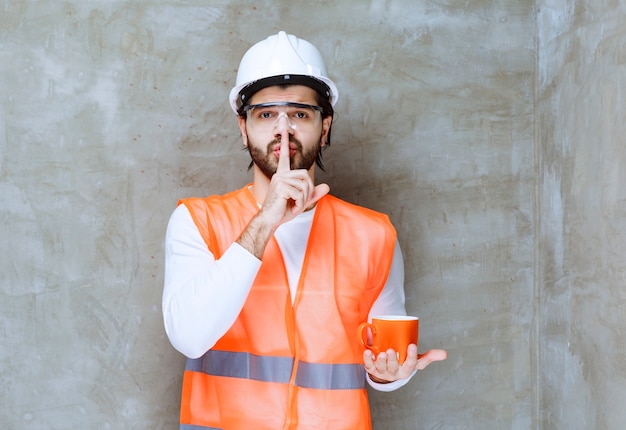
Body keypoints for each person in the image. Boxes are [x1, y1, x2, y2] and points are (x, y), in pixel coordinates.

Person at [162, 31, 447, 430]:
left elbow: (384, 356)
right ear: (243, 129)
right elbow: (189, 337)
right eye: (265, 115)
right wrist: (265, 221)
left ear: (324, 126)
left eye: (299, 114)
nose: (283, 129)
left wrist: (387, 375)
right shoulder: (198, 221)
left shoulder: (373, 234)